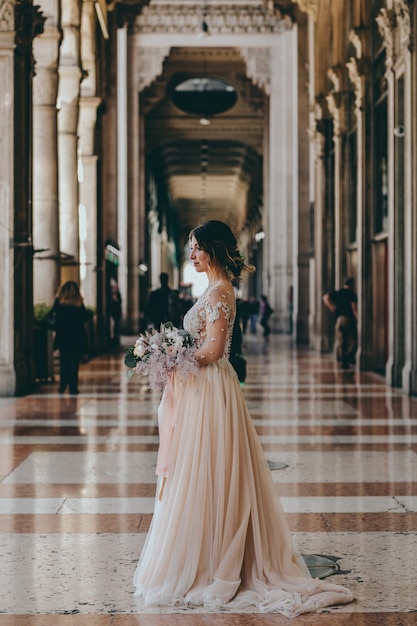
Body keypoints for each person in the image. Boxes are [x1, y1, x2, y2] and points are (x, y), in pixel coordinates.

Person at [133, 220, 354, 616]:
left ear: (214, 250)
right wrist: (173, 356)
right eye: (190, 248)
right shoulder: (211, 290)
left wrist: (172, 356)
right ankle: (204, 550)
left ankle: (218, 559)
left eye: (197, 247)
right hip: (200, 390)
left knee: (212, 468)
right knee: (195, 469)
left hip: (212, 390)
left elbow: (215, 350)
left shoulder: (222, 293)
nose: (192, 254)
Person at [48, 281, 91, 395]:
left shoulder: (59, 302)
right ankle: (73, 387)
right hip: (76, 336)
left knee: (64, 360)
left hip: (63, 335)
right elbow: (84, 317)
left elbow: (52, 315)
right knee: (74, 362)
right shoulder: (78, 303)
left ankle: (62, 384)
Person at [322, 277, 358, 369]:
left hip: (339, 320)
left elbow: (325, 297)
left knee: (342, 341)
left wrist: (332, 307)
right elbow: (354, 308)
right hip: (348, 319)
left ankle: (343, 361)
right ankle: (348, 356)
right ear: (352, 285)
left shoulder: (339, 292)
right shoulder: (352, 294)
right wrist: (357, 318)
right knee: (354, 339)